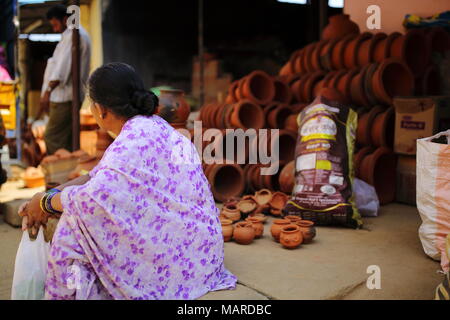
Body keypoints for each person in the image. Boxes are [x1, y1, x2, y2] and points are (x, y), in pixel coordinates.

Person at [19, 62, 237, 300]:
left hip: (178, 270)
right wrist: (44, 197)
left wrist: (44, 205)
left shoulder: (130, 143)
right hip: (204, 259)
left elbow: (92, 199)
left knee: (75, 223)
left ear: (101, 110)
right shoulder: (153, 128)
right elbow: (95, 177)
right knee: (78, 207)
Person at [36, 4, 91, 154]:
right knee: (64, 139)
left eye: (55, 24)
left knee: (52, 137)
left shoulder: (74, 36)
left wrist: (47, 93)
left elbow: (60, 72)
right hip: (63, 97)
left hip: (65, 98)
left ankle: (60, 172)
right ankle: (65, 172)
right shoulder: (70, 36)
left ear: (65, 19)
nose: (54, 29)